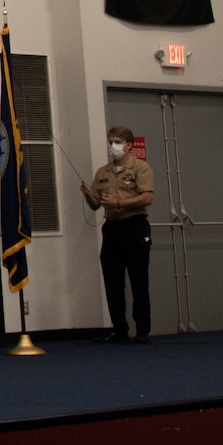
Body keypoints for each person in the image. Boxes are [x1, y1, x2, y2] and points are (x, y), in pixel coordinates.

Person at [80, 126, 154, 344]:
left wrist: (119, 202)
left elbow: (147, 198)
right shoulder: (103, 172)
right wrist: (87, 195)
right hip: (112, 228)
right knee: (113, 281)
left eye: (117, 142)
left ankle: (142, 330)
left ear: (129, 145)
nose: (113, 146)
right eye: (110, 142)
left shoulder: (141, 168)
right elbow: (95, 205)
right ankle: (119, 329)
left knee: (139, 280)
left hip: (135, 226)